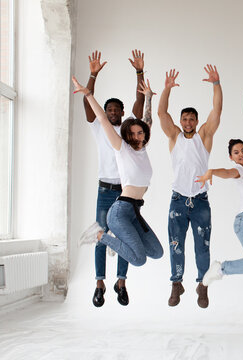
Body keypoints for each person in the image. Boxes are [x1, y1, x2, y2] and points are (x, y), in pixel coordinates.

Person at [75, 76, 164, 271]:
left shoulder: (143, 148)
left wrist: (148, 96)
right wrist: (88, 95)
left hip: (134, 212)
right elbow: (101, 119)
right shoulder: (121, 148)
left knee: (157, 252)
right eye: (132, 134)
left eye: (140, 133)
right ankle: (99, 235)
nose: (137, 136)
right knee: (139, 260)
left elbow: (147, 119)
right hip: (120, 212)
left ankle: (117, 241)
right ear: (126, 135)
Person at [81, 49, 146, 307]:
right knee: (101, 234)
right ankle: (99, 283)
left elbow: (139, 105)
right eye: (109, 109)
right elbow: (88, 103)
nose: (113, 112)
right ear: (105, 113)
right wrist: (93, 75)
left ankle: (121, 282)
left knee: (124, 238)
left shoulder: (128, 131)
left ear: (122, 113)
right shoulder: (99, 126)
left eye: (117, 109)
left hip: (125, 193)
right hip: (105, 190)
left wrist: (140, 72)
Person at [157, 66, 222, 308]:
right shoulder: (173, 136)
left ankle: (202, 285)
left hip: (200, 200)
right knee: (176, 243)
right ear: (181, 121)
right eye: (184, 118)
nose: (187, 122)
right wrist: (167, 89)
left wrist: (216, 84)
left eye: (191, 118)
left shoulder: (203, 136)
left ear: (196, 121)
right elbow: (162, 112)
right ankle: (176, 283)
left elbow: (217, 111)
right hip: (178, 199)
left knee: (202, 246)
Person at [197, 127, 243, 286]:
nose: (241, 154)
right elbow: (227, 172)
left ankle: (227, 268)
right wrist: (212, 171)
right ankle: (221, 269)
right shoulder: (239, 170)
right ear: (231, 157)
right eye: (236, 152)